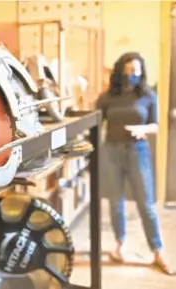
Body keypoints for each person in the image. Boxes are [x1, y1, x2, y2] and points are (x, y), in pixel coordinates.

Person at [96, 52, 173, 274]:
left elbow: (155, 125)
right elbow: (96, 121)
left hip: (138, 152)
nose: (133, 75)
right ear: (121, 72)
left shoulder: (148, 95)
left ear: (142, 72)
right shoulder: (108, 96)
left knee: (145, 203)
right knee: (115, 202)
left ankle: (157, 250)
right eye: (129, 71)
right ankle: (119, 246)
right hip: (111, 151)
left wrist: (143, 129)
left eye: (136, 71)